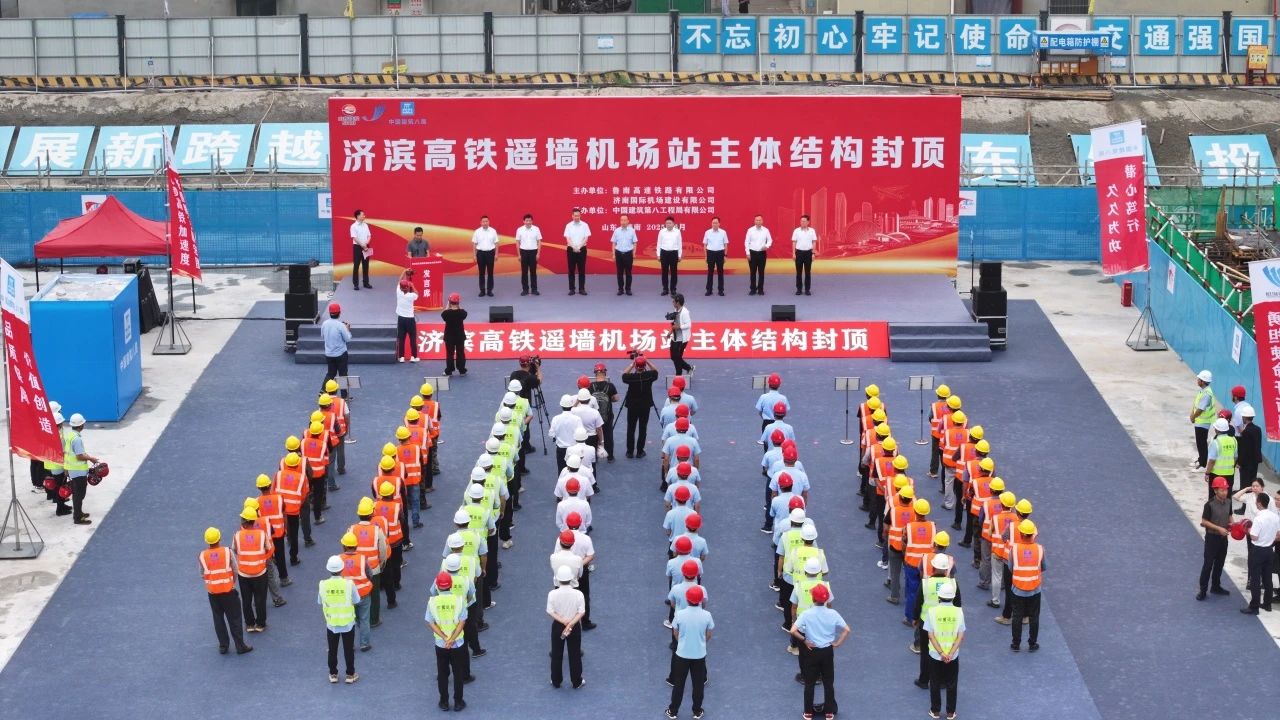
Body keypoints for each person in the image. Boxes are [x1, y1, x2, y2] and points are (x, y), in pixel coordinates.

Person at [790, 583, 849, 720]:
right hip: (827, 652)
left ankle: (808, 713)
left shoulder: (806, 614)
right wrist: (837, 643)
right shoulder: (833, 613)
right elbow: (847, 630)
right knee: (828, 683)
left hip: (811, 652)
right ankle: (829, 713)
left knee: (809, 682)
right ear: (826, 599)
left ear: (813, 598)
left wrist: (804, 640)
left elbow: (793, 630)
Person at [199, 527, 252, 655]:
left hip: (213, 594)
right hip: (228, 592)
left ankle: (223, 646)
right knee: (235, 619)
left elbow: (202, 574)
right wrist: (230, 583)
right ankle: (240, 646)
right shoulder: (227, 552)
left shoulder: (202, 556)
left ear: (207, 541)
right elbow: (235, 569)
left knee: (218, 619)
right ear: (219, 538)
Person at [667, 585, 712, 720]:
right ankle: (697, 711)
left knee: (679, 684)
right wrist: (701, 643)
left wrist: (682, 642)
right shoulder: (707, 615)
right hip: (699, 655)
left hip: (682, 655)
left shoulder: (680, 614)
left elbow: (675, 632)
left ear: (687, 599)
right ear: (700, 600)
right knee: (698, 685)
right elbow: (709, 634)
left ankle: (673, 711)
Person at [428, 571, 469, 710]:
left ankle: (444, 702)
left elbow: (431, 623)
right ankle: (458, 702)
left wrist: (445, 638)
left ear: (437, 586)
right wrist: (452, 639)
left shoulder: (432, 602)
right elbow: (462, 622)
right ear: (450, 585)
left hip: (441, 644)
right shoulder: (459, 601)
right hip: (457, 644)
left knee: (442, 673)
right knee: (458, 673)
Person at [924, 582, 964, 720]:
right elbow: (960, 636)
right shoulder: (959, 612)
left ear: (939, 597)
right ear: (953, 597)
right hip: (953, 656)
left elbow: (930, 635)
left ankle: (935, 711)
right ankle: (950, 713)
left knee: (934, 682)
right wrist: (950, 653)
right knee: (952, 683)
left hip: (935, 655)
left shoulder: (931, 612)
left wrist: (941, 653)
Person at [319, 555, 359, 683]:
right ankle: (350, 675)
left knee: (332, 649)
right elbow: (357, 600)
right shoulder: (349, 584)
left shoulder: (323, 584)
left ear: (329, 569)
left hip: (332, 623)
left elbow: (320, 601)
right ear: (342, 569)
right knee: (348, 650)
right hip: (348, 623)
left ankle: (333, 674)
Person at [547, 564, 586, 689]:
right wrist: (570, 623)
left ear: (558, 579)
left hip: (558, 626)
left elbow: (550, 611)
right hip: (574, 626)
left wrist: (564, 622)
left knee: (556, 653)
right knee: (575, 654)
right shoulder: (578, 594)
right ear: (571, 578)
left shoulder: (552, 594)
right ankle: (577, 681)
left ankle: (556, 681)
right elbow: (581, 612)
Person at [233, 507, 271, 634]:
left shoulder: (237, 535)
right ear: (254, 521)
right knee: (260, 600)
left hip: (244, 574)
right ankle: (260, 624)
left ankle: (249, 624)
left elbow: (235, 550)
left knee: (246, 600)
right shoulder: (262, 534)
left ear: (244, 521)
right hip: (260, 573)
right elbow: (268, 548)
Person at [1009, 520, 1045, 652]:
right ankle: (1032, 643)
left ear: (1020, 533)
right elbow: (1043, 567)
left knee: (1017, 617)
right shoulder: (1040, 549)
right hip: (1035, 590)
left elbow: (1011, 567)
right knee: (1034, 617)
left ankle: (1016, 644)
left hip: (1018, 589)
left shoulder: (1014, 549)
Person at [1242, 492, 1279, 614]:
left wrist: (1247, 530)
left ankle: (1254, 607)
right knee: (1268, 578)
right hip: (1269, 550)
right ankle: (1267, 604)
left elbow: (1254, 536)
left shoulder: (1258, 518)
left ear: (1258, 503)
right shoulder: (1275, 516)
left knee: (1255, 579)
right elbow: (1278, 533)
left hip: (1258, 550)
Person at [1198, 477, 1232, 601]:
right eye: (1222, 490)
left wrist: (1232, 524)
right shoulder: (1209, 505)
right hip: (1212, 538)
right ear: (1215, 490)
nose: (1224, 492)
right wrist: (1219, 528)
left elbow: (1230, 515)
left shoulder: (1229, 502)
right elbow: (1204, 521)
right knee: (1208, 564)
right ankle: (1203, 590)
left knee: (1220, 563)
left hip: (1223, 539)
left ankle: (1216, 586)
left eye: (1226, 490)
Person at [63, 413, 99, 525]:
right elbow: (79, 456)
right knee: (79, 495)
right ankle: (78, 518)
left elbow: (67, 453)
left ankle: (79, 513)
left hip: (73, 470)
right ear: (81, 425)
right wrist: (91, 458)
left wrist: (66, 468)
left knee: (77, 494)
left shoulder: (69, 435)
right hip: (78, 472)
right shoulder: (77, 439)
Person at [622, 354, 659, 458]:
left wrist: (632, 364)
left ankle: (629, 452)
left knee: (631, 429)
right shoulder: (649, 376)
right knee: (643, 429)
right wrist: (647, 361)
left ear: (636, 366)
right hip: (645, 406)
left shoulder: (630, 377)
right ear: (644, 366)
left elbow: (624, 374)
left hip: (632, 407)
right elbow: (656, 371)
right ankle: (640, 452)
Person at [588, 364, 619, 462]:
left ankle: (594, 457)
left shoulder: (590, 386)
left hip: (593, 417)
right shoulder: (610, 386)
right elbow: (616, 398)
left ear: (595, 373)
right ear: (605, 372)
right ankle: (610, 457)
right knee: (608, 436)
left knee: (594, 436)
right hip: (607, 417)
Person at [321, 303, 352, 394]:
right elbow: (347, 339)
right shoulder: (341, 326)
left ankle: (323, 391)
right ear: (339, 313)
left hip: (329, 354)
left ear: (329, 313)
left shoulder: (324, 324)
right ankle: (344, 396)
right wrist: (347, 329)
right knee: (343, 374)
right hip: (341, 354)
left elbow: (323, 336)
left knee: (330, 373)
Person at [1190, 369, 1216, 470]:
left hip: (1203, 422)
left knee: (1201, 443)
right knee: (1200, 442)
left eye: (1199, 379)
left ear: (1203, 381)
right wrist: (1192, 414)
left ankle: (1203, 464)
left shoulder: (1206, 394)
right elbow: (1196, 405)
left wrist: (1193, 417)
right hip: (1200, 421)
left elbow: (1201, 409)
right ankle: (1201, 459)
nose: (1197, 380)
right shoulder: (1204, 391)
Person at [1204, 417, 1237, 497]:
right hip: (1230, 473)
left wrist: (1207, 473)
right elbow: (1235, 457)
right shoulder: (1233, 440)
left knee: (1214, 497)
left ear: (1216, 430)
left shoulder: (1215, 442)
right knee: (1227, 496)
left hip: (1216, 474)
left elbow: (1212, 461)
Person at [745, 214, 773, 296]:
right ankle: (753, 289)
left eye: (760, 220)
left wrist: (767, 246)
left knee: (761, 272)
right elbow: (746, 242)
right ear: (754, 221)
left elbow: (770, 240)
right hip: (752, 253)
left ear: (762, 221)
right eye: (757, 220)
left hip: (762, 253)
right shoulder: (750, 230)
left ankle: (760, 289)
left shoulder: (766, 230)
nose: (758, 221)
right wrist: (747, 253)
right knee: (752, 272)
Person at [394, 272, 419, 363]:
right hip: (410, 320)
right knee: (412, 338)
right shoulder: (412, 295)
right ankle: (413, 357)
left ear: (401, 288)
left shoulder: (398, 292)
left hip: (401, 319)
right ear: (408, 287)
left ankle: (401, 357)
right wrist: (412, 286)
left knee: (401, 338)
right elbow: (417, 293)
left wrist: (404, 272)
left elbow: (399, 281)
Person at [1236, 404, 1262, 488]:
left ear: (1244, 417)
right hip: (1255, 461)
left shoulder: (1246, 432)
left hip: (1246, 463)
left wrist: (1239, 462)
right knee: (1252, 483)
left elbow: (1244, 449)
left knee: (1245, 485)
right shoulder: (1258, 429)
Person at [441, 293, 468, 376]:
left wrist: (448, 305)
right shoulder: (462, 313)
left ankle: (449, 370)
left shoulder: (446, 313)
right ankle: (462, 370)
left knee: (450, 354)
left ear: (449, 302)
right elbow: (463, 312)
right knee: (460, 353)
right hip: (460, 336)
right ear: (458, 302)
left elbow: (443, 314)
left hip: (449, 337)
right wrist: (458, 306)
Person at [516, 213, 542, 296]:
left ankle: (534, 289)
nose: (528, 222)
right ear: (523, 221)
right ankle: (525, 290)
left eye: (530, 220)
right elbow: (517, 242)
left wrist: (538, 253)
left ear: (532, 221)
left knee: (533, 272)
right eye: (526, 220)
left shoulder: (536, 229)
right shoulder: (519, 229)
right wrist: (519, 254)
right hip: (523, 252)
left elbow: (539, 241)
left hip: (533, 252)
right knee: (524, 272)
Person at [471, 216, 497, 297]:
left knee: (490, 273)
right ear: (481, 223)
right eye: (483, 221)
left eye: (486, 221)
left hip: (490, 253)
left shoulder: (493, 231)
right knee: (481, 273)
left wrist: (496, 254)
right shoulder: (477, 232)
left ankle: (489, 290)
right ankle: (482, 290)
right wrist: (474, 255)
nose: (485, 223)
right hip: (480, 254)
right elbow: (474, 244)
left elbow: (496, 243)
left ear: (489, 222)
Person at [611, 214, 637, 296]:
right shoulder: (616, 231)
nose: (623, 222)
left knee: (628, 272)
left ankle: (628, 289)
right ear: (620, 221)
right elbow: (613, 243)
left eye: (625, 220)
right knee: (619, 273)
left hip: (628, 254)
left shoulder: (632, 231)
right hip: (618, 253)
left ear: (628, 221)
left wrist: (634, 253)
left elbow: (635, 243)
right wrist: (613, 254)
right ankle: (620, 289)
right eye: (622, 220)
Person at [657, 216, 683, 296]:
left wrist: (679, 255)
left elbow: (679, 244)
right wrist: (658, 255)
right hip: (664, 253)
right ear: (665, 224)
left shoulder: (677, 232)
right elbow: (659, 243)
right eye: (667, 223)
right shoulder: (661, 231)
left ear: (673, 224)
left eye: (670, 223)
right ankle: (665, 289)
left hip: (674, 253)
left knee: (674, 272)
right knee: (664, 272)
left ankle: (673, 289)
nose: (668, 224)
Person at [702, 216, 728, 297]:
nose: (714, 224)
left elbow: (725, 244)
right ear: (711, 223)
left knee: (720, 272)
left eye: (716, 223)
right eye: (713, 223)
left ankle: (721, 290)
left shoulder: (723, 232)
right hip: (710, 253)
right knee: (710, 272)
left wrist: (725, 255)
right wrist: (706, 256)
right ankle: (709, 290)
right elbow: (705, 245)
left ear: (719, 224)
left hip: (720, 253)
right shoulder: (707, 232)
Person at [792, 214, 816, 296]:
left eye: (804, 221)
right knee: (798, 272)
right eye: (801, 221)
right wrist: (793, 253)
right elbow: (794, 242)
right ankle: (799, 289)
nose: (802, 222)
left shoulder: (812, 231)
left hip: (808, 253)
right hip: (799, 253)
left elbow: (814, 242)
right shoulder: (796, 231)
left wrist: (813, 253)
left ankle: (807, 290)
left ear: (808, 222)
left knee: (807, 272)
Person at [670, 293, 693, 376]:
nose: (672, 303)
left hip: (682, 339)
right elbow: (675, 323)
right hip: (675, 337)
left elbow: (688, 325)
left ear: (678, 302)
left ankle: (678, 375)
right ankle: (689, 368)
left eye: (673, 301)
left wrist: (679, 327)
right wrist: (670, 332)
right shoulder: (676, 310)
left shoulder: (685, 312)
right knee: (673, 357)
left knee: (677, 357)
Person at [350, 208, 372, 290]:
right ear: (358, 216)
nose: (364, 216)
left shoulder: (366, 225)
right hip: (357, 247)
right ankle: (356, 284)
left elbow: (369, 235)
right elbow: (354, 238)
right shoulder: (353, 226)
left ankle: (366, 283)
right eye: (363, 215)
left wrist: (366, 244)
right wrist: (363, 246)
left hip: (366, 246)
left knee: (366, 265)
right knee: (356, 265)